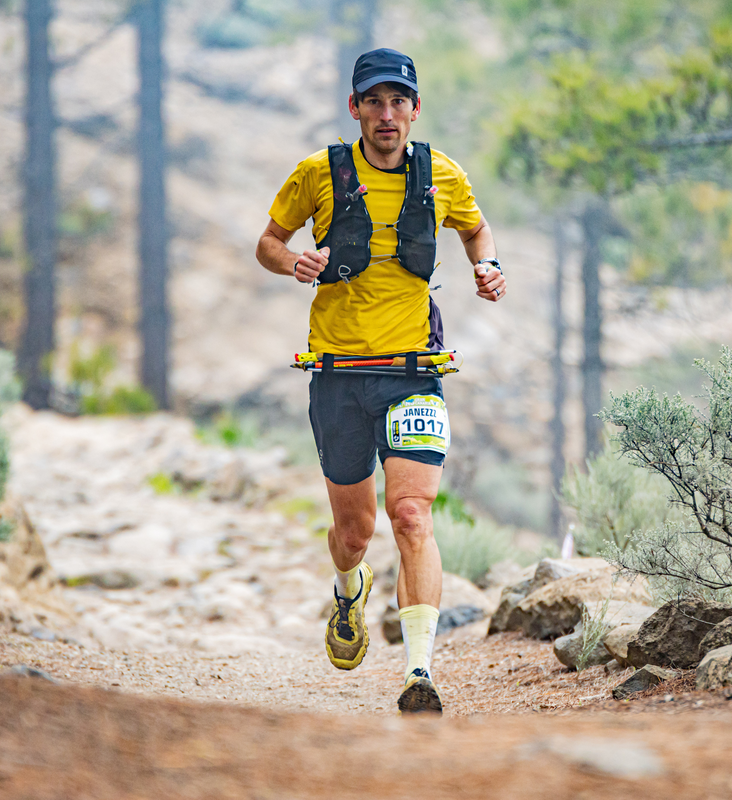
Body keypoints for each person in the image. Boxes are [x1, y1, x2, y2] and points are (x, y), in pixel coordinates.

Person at [256, 47, 505, 714]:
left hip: (414, 372)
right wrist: (295, 263)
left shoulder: (442, 175)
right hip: (336, 374)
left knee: (412, 515)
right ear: (355, 108)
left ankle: (419, 674)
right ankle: (348, 591)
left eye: (399, 101)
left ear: (416, 110)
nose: (387, 113)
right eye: (374, 100)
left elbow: (477, 231)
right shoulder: (318, 174)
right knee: (355, 532)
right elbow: (268, 243)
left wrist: (489, 267)